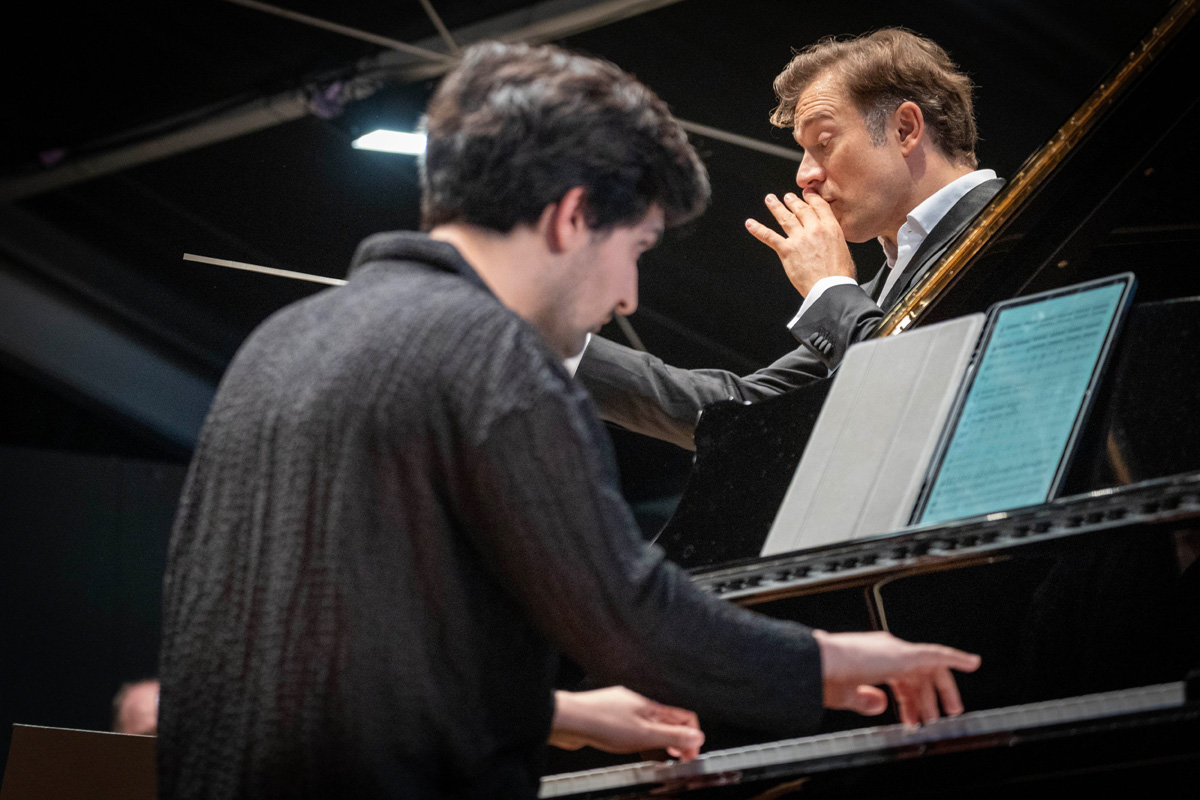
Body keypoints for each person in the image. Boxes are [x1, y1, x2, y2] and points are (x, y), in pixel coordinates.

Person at [157, 41, 980, 799]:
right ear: (572, 217)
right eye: (636, 247)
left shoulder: (278, 341)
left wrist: (557, 713)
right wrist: (827, 661)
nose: (626, 296)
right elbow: (621, 610)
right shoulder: (490, 359)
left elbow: (342, 657)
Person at [574, 28, 1005, 451]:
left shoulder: (1017, 229)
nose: (804, 175)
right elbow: (741, 410)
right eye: (804, 150)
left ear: (905, 129)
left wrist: (829, 288)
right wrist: (555, 347)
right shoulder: (879, 290)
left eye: (824, 141)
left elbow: (924, 398)